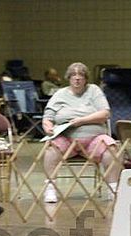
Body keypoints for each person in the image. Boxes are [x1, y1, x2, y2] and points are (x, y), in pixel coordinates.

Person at [41, 62, 120, 203]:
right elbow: (48, 116)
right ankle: (50, 189)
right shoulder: (60, 94)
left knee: (111, 148)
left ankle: (113, 189)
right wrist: (48, 127)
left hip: (93, 139)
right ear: (68, 78)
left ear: (86, 78)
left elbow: (104, 113)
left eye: (81, 75)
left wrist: (82, 121)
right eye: (73, 75)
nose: (77, 78)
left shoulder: (94, 90)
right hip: (66, 139)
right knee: (50, 149)